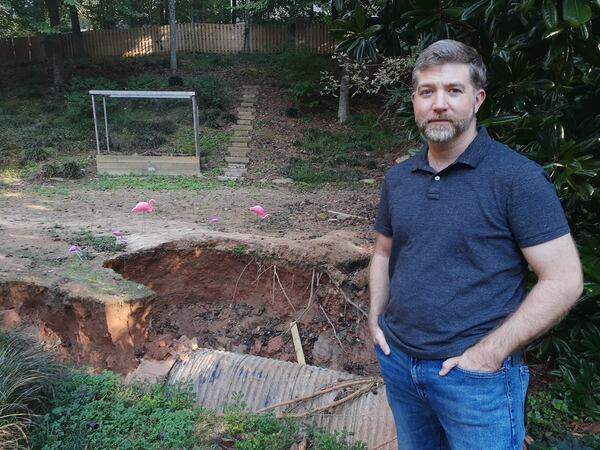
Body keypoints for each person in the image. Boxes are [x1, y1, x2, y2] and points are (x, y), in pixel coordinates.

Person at [369, 39, 583, 450]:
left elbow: (564, 280)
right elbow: (382, 253)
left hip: (475, 381)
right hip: (400, 366)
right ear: (414, 100)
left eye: (454, 91)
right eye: (427, 91)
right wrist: (375, 322)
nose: (439, 104)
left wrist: (486, 356)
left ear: (478, 98)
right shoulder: (398, 180)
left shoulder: (517, 179)